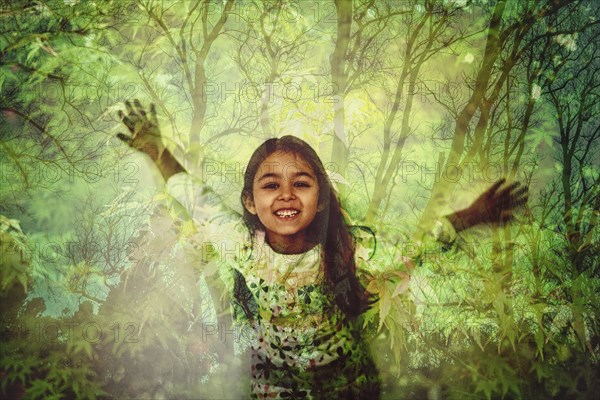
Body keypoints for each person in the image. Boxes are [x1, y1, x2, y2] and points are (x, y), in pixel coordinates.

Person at [117, 100, 527, 399]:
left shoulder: (352, 248)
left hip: (347, 385)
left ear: (322, 199)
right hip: (274, 387)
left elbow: (416, 249)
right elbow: (198, 199)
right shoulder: (243, 247)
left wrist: (472, 216)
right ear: (249, 202)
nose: (286, 195)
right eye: (270, 184)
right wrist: (158, 151)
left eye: (301, 183)